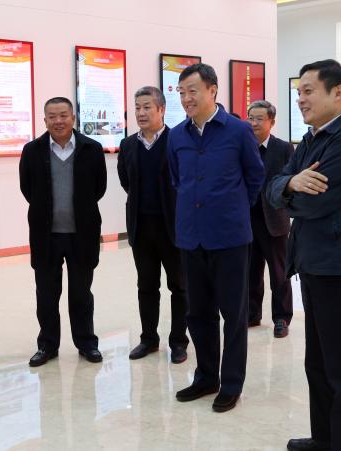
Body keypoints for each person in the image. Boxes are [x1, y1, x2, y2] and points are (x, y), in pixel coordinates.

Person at [267, 60, 341, 451]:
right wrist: (291, 184)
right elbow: (273, 186)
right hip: (314, 264)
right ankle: (325, 439)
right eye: (298, 92)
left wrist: (288, 191)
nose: (300, 99)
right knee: (319, 364)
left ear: (338, 92)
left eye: (308, 91)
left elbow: (316, 203)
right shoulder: (313, 138)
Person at [167, 63, 265, 413]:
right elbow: (177, 179)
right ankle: (206, 377)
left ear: (212, 90)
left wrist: (231, 209)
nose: (186, 99)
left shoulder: (238, 131)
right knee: (198, 313)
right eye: (181, 93)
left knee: (234, 315)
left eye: (192, 91)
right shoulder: (176, 136)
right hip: (191, 238)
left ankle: (232, 383)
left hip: (229, 238)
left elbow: (255, 177)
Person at [20, 97, 106, 367]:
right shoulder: (32, 151)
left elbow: (99, 188)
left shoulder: (92, 149)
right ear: (44, 120)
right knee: (46, 294)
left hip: (83, 234)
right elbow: (27, 189)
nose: (58, 121)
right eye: (52, 116)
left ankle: (86, 343)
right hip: (45, 236)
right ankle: (47, 345)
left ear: (73, 118)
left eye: (63, 115)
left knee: (81, 294)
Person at [117, 86, 188, 363]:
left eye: (147, 107)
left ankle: (179, 341)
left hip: (173, 227)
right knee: (146, 286)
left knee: (179, 287)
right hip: (141, 227)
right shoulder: (128, 145)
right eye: (137, 107)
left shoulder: (176, 140)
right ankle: (148, 339)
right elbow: (126, 181)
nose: (141, 113)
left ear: (161, 109)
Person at [245, 100, 294, 338]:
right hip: (247, 219)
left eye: (259, 119)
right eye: (251, 118)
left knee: (279, 273)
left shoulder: (283, 148)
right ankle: (252, 314)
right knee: (250, 271)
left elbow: (291, 181)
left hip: (274, 219)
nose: (253, 123)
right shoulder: (243, 146)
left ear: (272, 122)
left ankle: (282, 317)